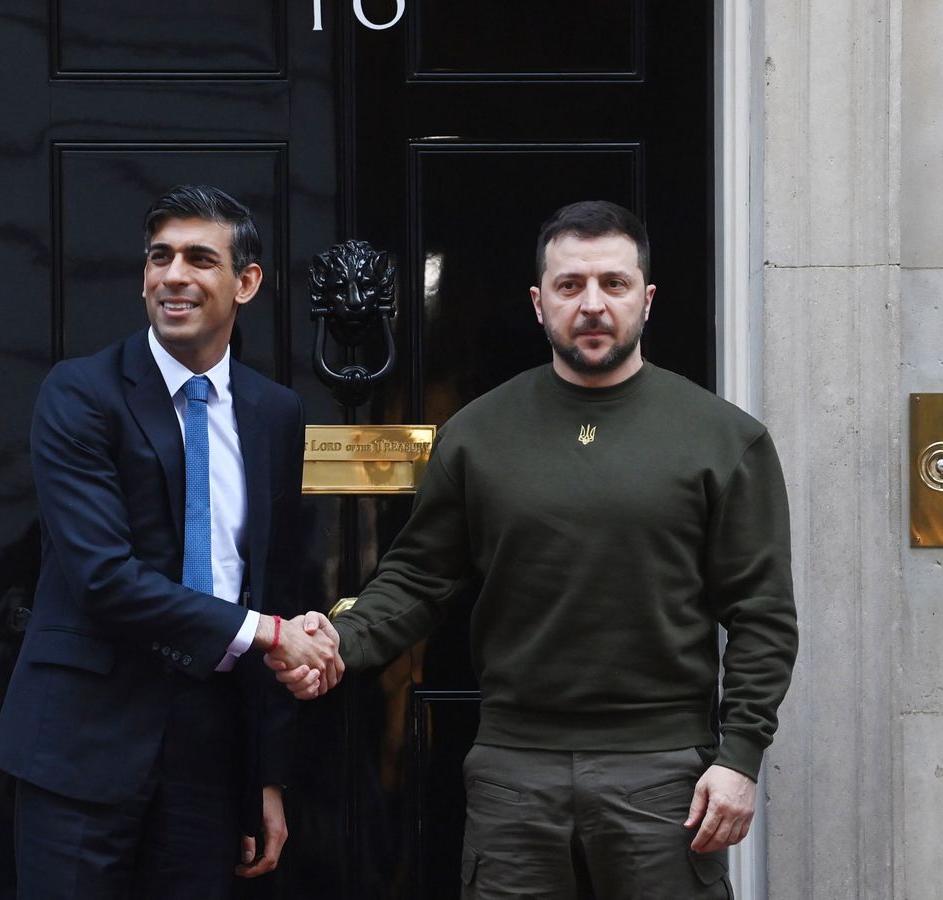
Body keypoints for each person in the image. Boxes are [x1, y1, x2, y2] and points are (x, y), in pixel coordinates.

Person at [276, 200, 798, 899]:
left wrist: (740, 756)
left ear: (647, 299)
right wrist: (338, 642)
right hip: (514, 770)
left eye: (613, 284)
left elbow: (763, 614)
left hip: (664, 770)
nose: (591, 304)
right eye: (569, 285)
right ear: (537, 301)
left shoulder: (724, 441)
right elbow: (419, 578)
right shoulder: (478, 433)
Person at [0, 184, 338, 899]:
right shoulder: (80, 393)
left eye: (199, 259)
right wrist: (272, 634)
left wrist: (263, 777)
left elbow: (271, 582)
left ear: (246, 283)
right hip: (81, 747)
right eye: (160, 257)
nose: (173, 275)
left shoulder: (276, 412)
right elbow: (104, 578)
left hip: (208, 760)